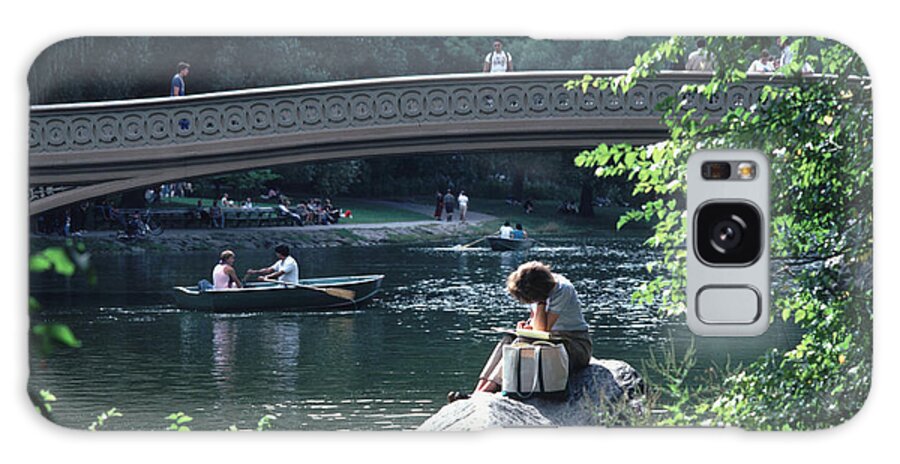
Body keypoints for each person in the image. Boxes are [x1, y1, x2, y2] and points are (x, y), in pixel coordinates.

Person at [449, 262, 593, 401]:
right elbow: (538, 324)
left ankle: (485, 392)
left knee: (522, 342)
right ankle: (479, 390)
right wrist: (527, 325)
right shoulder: (541, 285)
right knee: (508, 339)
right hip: (553, 339)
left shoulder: (562, 290)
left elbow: (543, 330)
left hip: (575, 344)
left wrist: (541, 302)